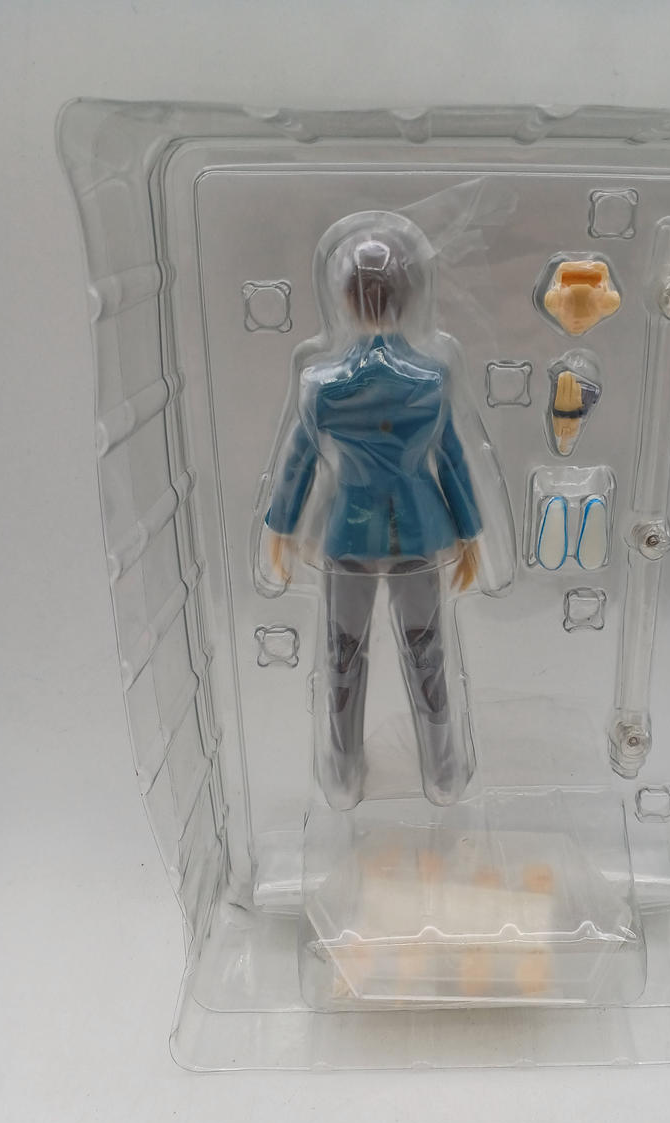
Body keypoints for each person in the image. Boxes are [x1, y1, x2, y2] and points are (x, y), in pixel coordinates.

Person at [263, 223, 489, 810]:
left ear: (342, 300)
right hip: (419, 530)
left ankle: (343, 773)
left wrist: (280, 528)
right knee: (427, 656)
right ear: (409, 298)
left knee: (343, 659)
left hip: (350, 533)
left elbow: (298, 464)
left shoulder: (323, 387)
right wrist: (470, 535)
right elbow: (452, 462)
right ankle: (443, 770)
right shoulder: (430, 381)